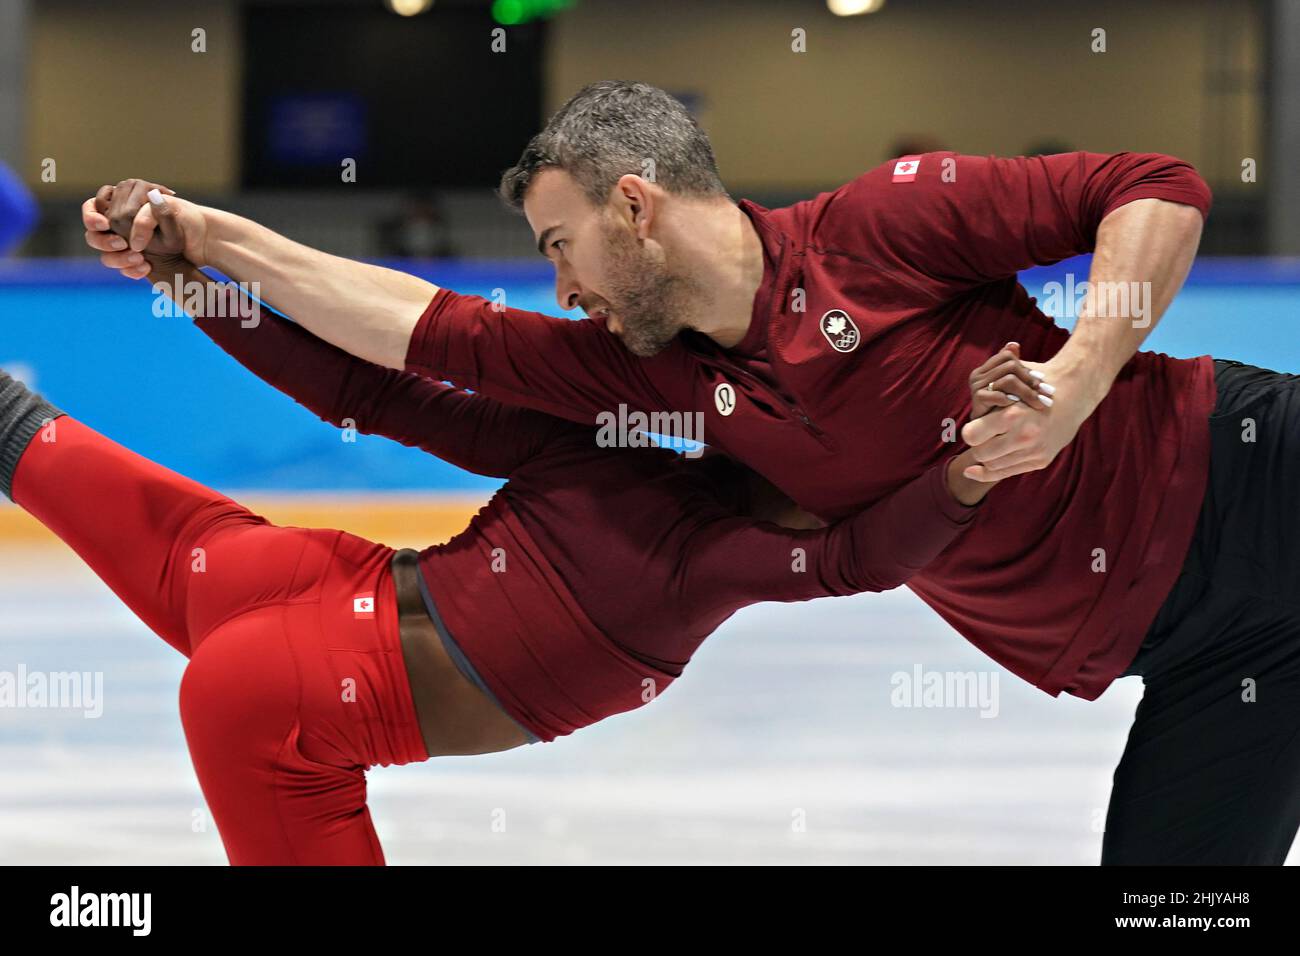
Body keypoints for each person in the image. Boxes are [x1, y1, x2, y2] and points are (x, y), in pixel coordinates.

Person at [81, 76, 1298, 864]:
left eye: (561, 245)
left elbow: (1155, 186)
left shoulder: (879, 226)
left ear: (634, 208)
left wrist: (1079, 378)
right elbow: (404, 338)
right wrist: (199, 242)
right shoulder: (642, 374)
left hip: (1251, 472)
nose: (559, 284)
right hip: (1190, 657)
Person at [16, 200, 1042, 864]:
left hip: (300, 635)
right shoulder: (664, 493)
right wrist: (185, 280)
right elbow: (360, 389)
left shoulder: (664, 497)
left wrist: (960, 473)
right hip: (302, 642)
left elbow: (360, 393)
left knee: (29, 442)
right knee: (25, 440)